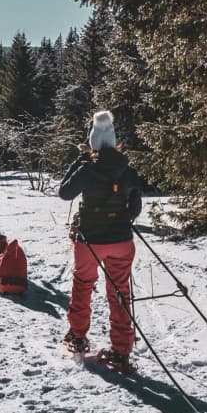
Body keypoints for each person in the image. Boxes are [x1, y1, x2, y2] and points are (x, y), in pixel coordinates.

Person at [57, 110, 142, 370]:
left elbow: (64, 192)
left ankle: (78, 336)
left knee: (83, 285)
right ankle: (121, 349)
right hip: (121, 241)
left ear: (93, 142)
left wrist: (81, 161)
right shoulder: (127, 170)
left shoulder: (88, 169)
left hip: (90, 241)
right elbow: (135, 207)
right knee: (119, 292)